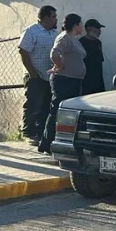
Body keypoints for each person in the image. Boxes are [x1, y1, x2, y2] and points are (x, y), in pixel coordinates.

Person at [38, 14, 86, 154]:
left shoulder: (74, 39)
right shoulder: (64, 38)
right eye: (80, 24)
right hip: (64, 80)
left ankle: (64, 142)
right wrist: (59, 65)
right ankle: (47, 144)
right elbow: (54, 53)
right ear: (75, 25)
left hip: (74, 80)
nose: (82, 26)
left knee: (70, 113)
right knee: (57, 111)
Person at [18, 5, 59, 142]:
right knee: (33, 104)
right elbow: (23, 51)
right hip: (35, 75)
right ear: (45, 17)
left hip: (50, 76)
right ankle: (28, 132)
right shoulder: (32, 31)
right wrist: (32, 73)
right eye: (53, 17)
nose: (56, 19)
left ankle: (41, 132)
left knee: (46, 105)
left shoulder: (54, 33)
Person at [80, 19, 106, 94]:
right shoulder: (81, 43)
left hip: (98, 80)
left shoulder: (98, 43)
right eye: (97, 28)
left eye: (100, 29)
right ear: (89, 29)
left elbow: (100, 62)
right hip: (86, 80)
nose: (99, 31)